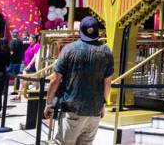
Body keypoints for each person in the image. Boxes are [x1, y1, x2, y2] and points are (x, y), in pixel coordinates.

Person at [44, 17, 113, 145]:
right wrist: (103, 104)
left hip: (72, 109)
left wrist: (49, 103)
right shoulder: (107, 51)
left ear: (80, 32)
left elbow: (55, 78)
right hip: (94, 110)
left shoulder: (69, 49)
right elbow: (107, 82)